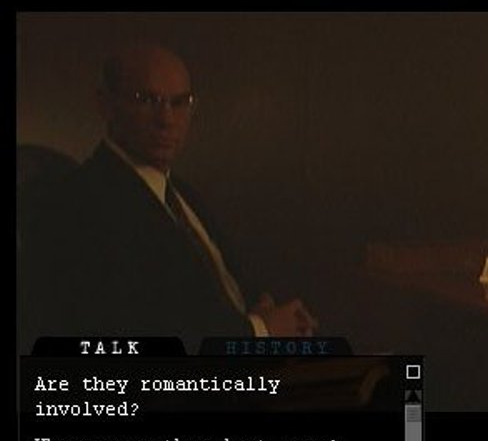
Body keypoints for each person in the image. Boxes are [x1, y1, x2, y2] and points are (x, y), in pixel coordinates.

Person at [18, 44, 318, 353]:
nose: (167, 119)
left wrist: (272, 312)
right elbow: (133, 330)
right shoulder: (80, 201)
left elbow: (219, 291)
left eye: (179, 102)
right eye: (147, 100)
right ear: (106, 105)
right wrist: (259, 330)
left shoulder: (182, 194)